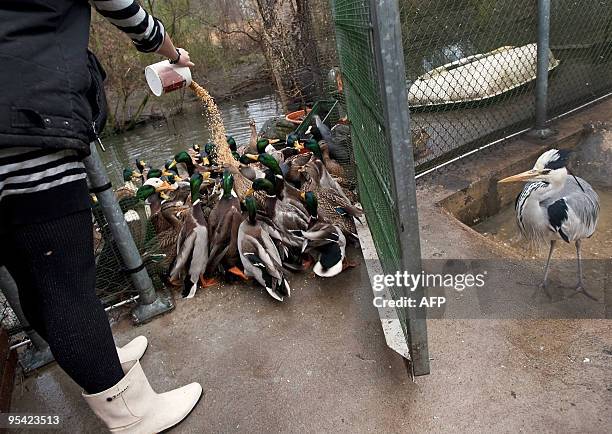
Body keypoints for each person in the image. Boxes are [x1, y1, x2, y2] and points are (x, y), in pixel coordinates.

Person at [0, 1, 201, 432]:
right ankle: (131, 414)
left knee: (30, 280)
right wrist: (172, 54)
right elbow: (126, 10)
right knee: (68, 286)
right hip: (28, 125)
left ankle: (98, 358)